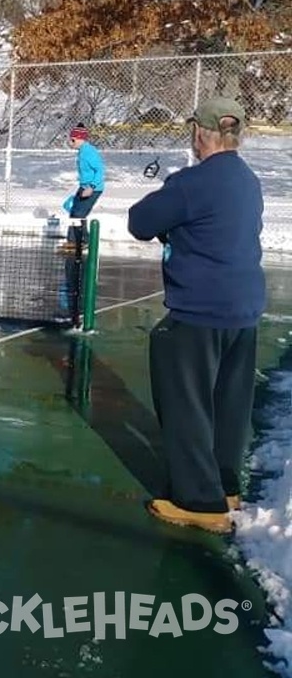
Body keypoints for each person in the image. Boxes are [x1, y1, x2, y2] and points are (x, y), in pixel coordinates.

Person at [126, 96, 264, 534]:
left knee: (186, 404)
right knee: (229, 403)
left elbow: (140, 221)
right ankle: (225, 486)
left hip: (198, 310)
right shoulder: (249, 180)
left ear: (201, 133)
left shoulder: (191, 183)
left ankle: (198, 501)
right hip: (243, 312)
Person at [60, 124, 105, 253]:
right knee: (74, 212)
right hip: (84, 186)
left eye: (73, 140)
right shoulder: (82, 151)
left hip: (94, 188)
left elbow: (100, 171)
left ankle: (84, 241)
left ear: (80, 139)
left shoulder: (89, 152)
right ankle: (73, 242)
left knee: (79, 214)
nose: (71, 142)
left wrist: (91, 187)